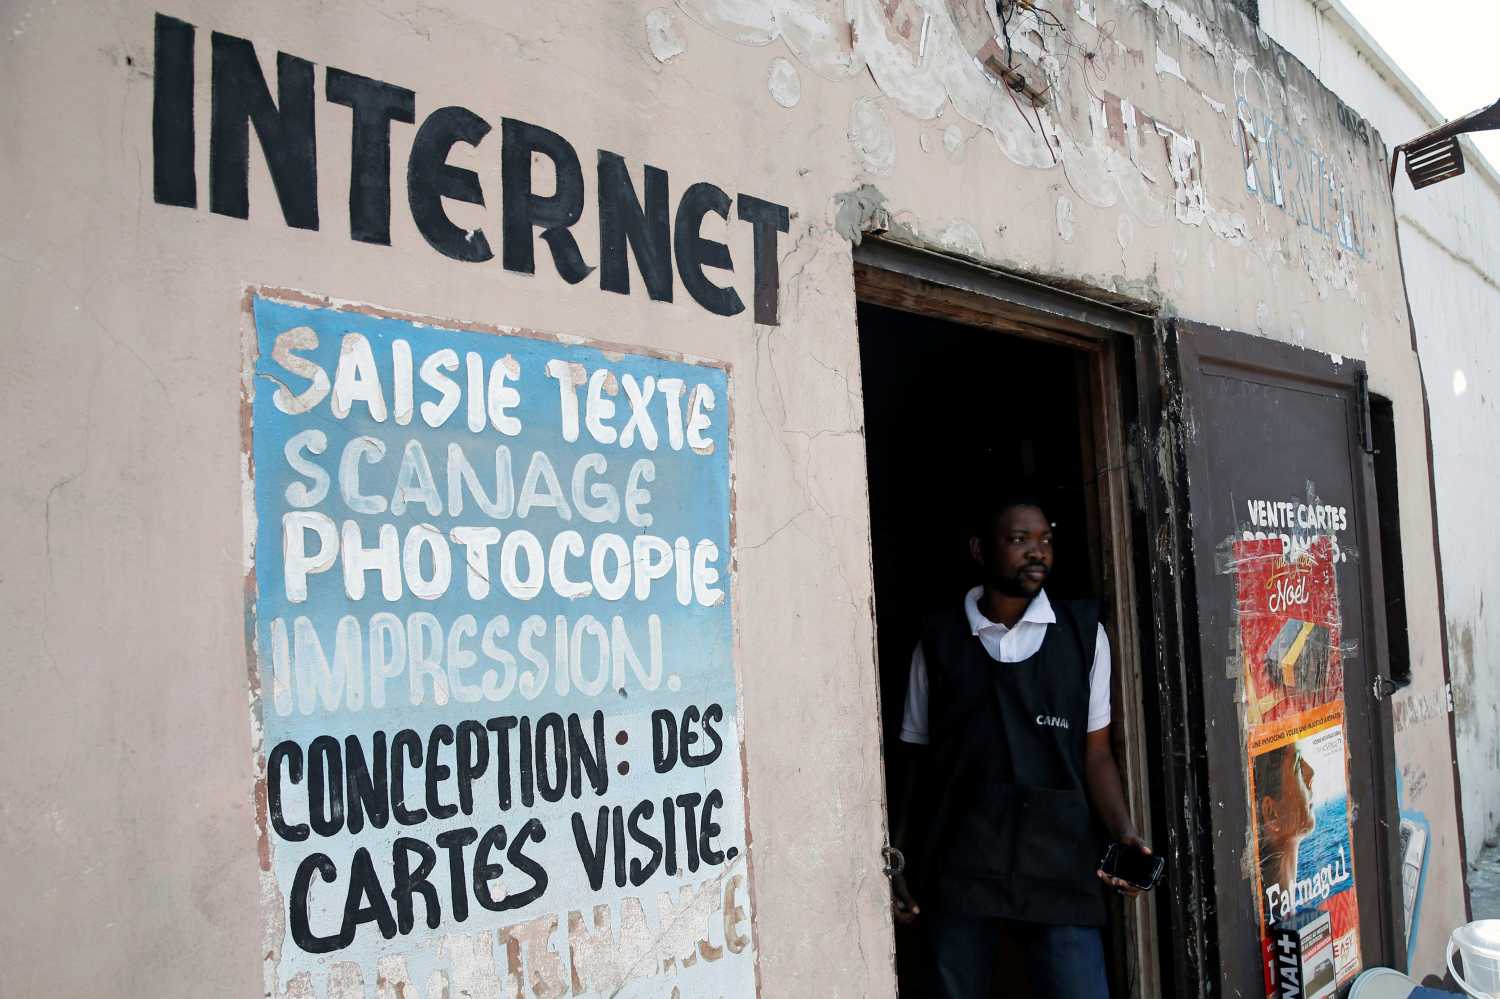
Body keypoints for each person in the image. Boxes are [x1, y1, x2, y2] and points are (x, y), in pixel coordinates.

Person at [888, 495, 1149, 998]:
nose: (1038, 552)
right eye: (1019, 540)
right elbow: (914, 759)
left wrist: (1124, 831)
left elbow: (1096, 754)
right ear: (980, 550)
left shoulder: (1083, 635)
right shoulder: (940, 639)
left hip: (1060, 864)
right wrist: (900, 857)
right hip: (961, 864)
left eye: (1046, 541)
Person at [1252, 741, 1317, 927]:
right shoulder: (1268, 918)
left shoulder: (1274, 911)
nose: (1311, 773)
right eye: (1297, 764)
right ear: (1271, 812)